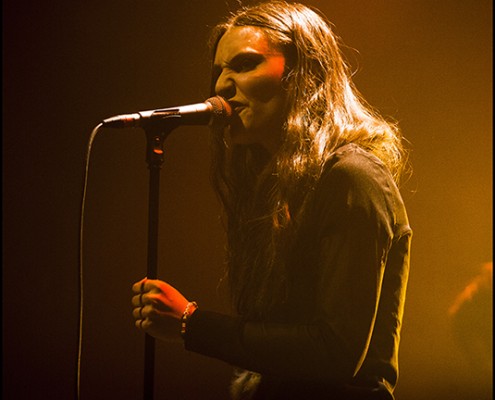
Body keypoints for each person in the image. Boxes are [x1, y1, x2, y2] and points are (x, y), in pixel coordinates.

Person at [131, 2, 412, 399]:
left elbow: (336, 352)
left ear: (304, 74)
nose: (221, 87)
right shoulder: (277, 188)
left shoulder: (351, 177)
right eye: (218, 72)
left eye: (244, 64)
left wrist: (191, 324)